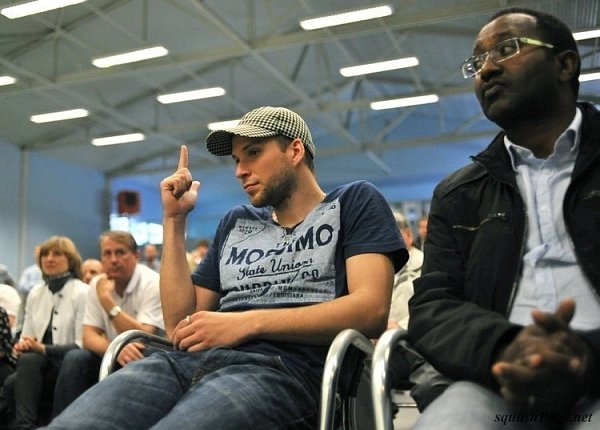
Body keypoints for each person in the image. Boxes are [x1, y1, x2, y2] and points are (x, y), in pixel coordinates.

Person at [44, 106, 408, 430]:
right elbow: (179, 324)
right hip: (185, 365)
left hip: (282, 371)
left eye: (253, 153)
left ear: (295, 150)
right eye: (236, 159)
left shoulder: (354, 201)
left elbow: (370, 309)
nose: (240, 171)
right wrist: (174, 220)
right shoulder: (237, 221)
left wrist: (247, 322)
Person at [407, 8, 600, 429]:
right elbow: (432, 306)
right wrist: (507, 347)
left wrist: (583, 355)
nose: (487, 69)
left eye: (507, 49)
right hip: (493, 381)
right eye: (477, 63)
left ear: (565, 63)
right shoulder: (458, 193)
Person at [51, 231, 164, 417]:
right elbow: (88, 337)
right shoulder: (97, 283)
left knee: (138, 355)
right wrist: (116, 349)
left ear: (136, 256)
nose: (113, 259)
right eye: (107, 254)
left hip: (146, 354)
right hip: (115, 352)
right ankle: (62, 422)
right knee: (75, 358)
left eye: (120, 252)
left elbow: (143, 336)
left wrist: (107, 301)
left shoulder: (152, 282)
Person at [2, 236, 88, 429]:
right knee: (20, 369)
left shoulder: (83, 292)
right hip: (40, 364)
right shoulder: (36, 292)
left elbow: (82, 344)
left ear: (71, 260)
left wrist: (42, 348)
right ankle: (25, 426)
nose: (49, 259)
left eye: (57, 254)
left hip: (70, 363)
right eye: (45, 254)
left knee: (16, 377)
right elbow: (28, 335)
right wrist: (23, 344)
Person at [388, 210, 423, 330]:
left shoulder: (425, 264)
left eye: (392, 234)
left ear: (409, 235)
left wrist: (401, 327)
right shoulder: (379, 268)